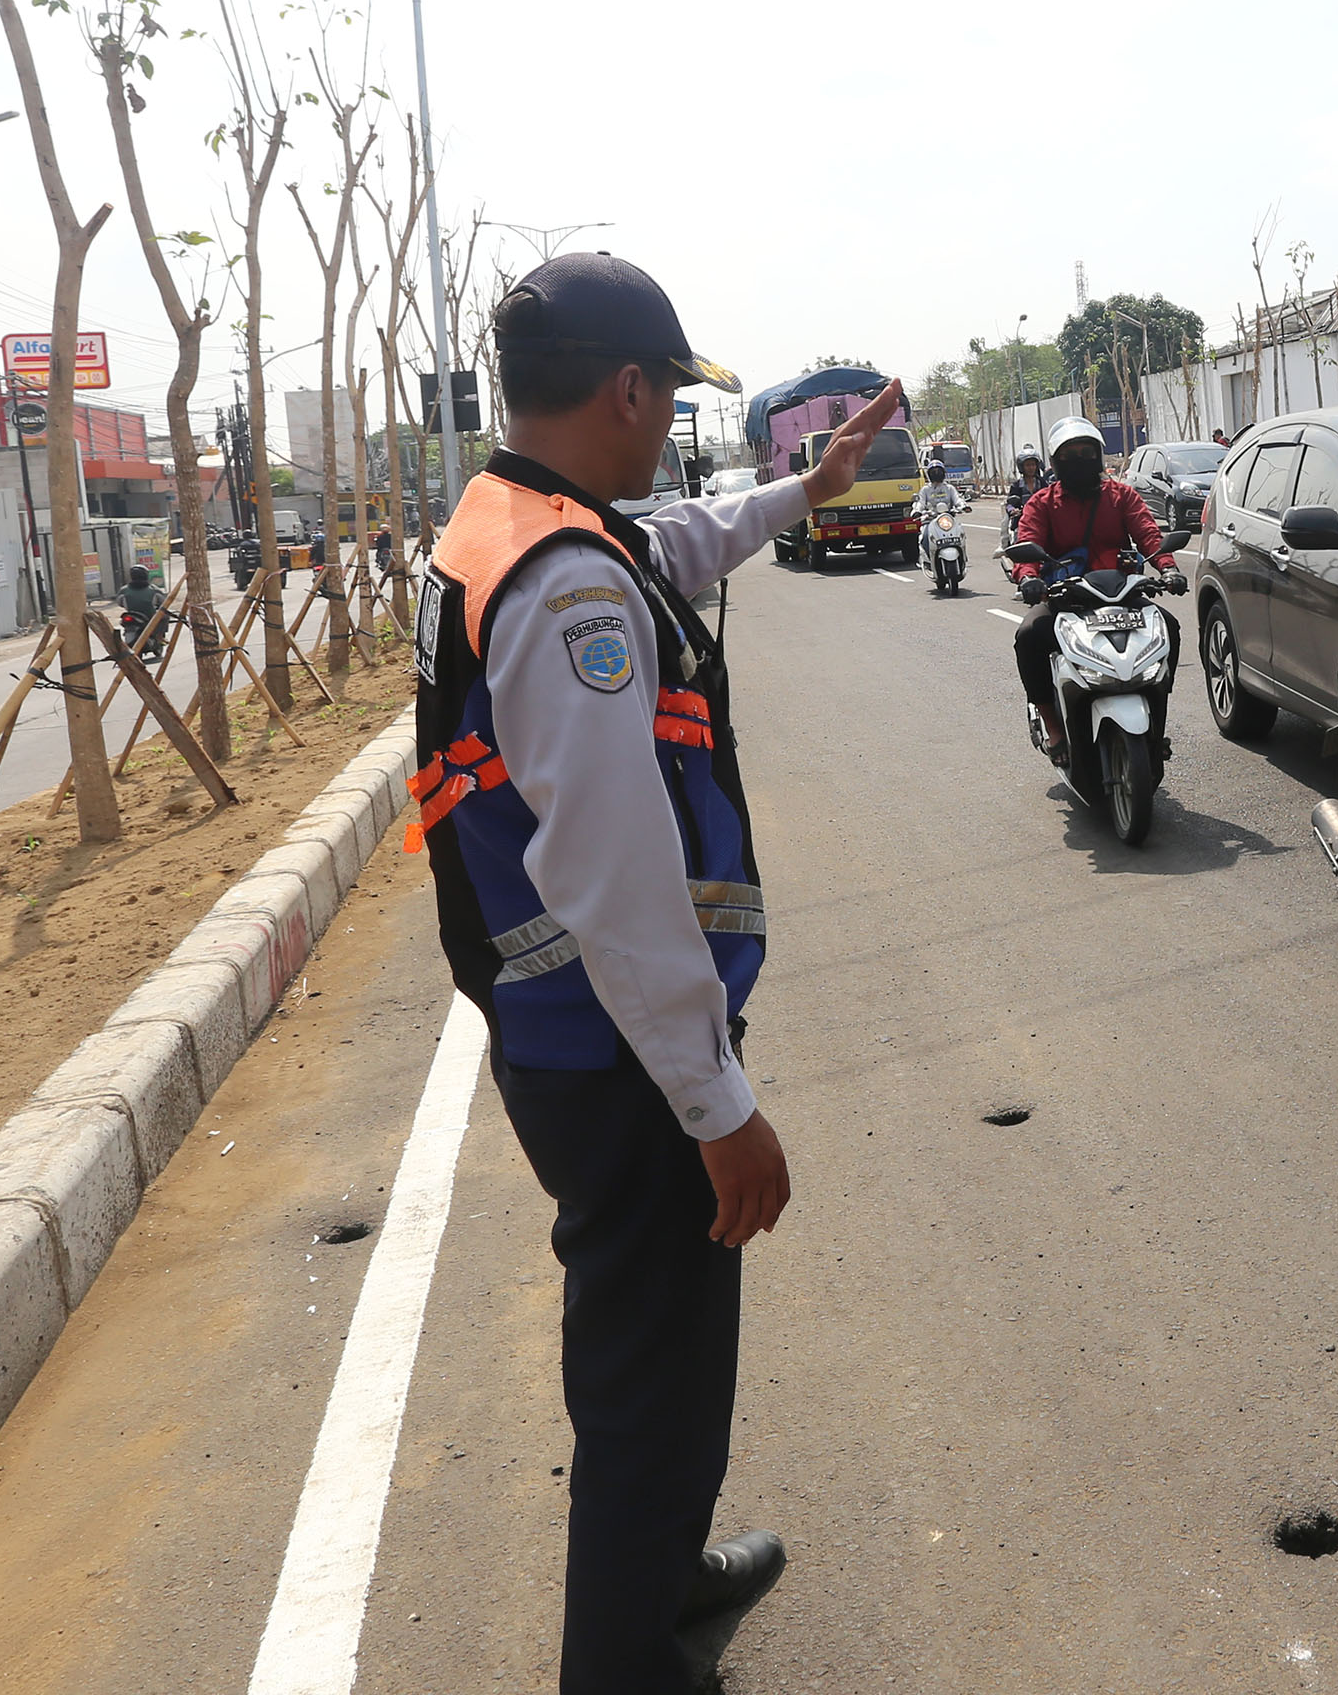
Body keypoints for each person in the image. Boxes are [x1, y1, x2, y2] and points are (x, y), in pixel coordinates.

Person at [406, 251, 904, 1692]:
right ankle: (625, 1665)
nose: (670, 417)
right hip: (616, 1048)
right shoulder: (569, 587)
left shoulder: (529, 526)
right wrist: (715, 1100)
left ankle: (663, 1567)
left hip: (574, 1032)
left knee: (658, 1352)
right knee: (651, 1374)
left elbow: (674, 546)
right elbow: (615, 879)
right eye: (671, 392)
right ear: (628, 389)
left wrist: (799, 496)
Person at [1009, 415, 1174, 761]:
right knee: (1029, 635)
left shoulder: (1121, 496)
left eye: (1087, 452)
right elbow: (1027, 542)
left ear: (1099, 456)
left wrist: (1168, 568)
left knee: (1169, 626)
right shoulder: (1042, 502)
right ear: (1055, 463)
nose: (1080, 459)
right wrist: (1027, 577)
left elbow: (1148, 535)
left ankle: (1156, 728)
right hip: (1066, 599)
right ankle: (1054, 728)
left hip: (1122, 594)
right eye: (1070, 455)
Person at [119, 563, 163, 653]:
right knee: (164, 617)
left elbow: (119, 602)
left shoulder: (123, 590)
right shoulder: (153, 589)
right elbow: (163, 602)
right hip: (150, 617)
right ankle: (159, 638)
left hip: (130, 615)